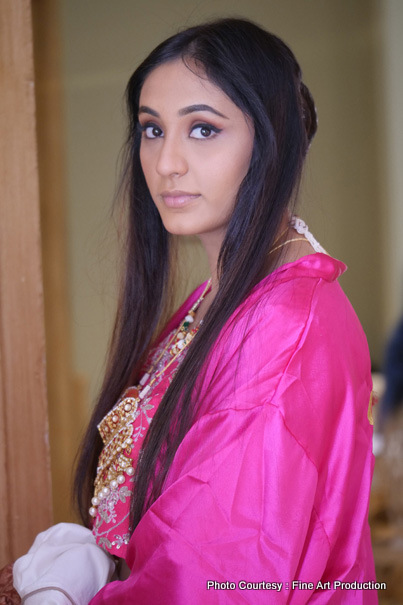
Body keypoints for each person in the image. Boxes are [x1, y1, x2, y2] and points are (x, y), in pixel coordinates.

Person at [9, 17, 377, 604]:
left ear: (272, 140)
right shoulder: (226, 295)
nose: (166, 163)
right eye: (152, 131)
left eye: (203, 130)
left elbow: (215, 578)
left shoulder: (283, 324)